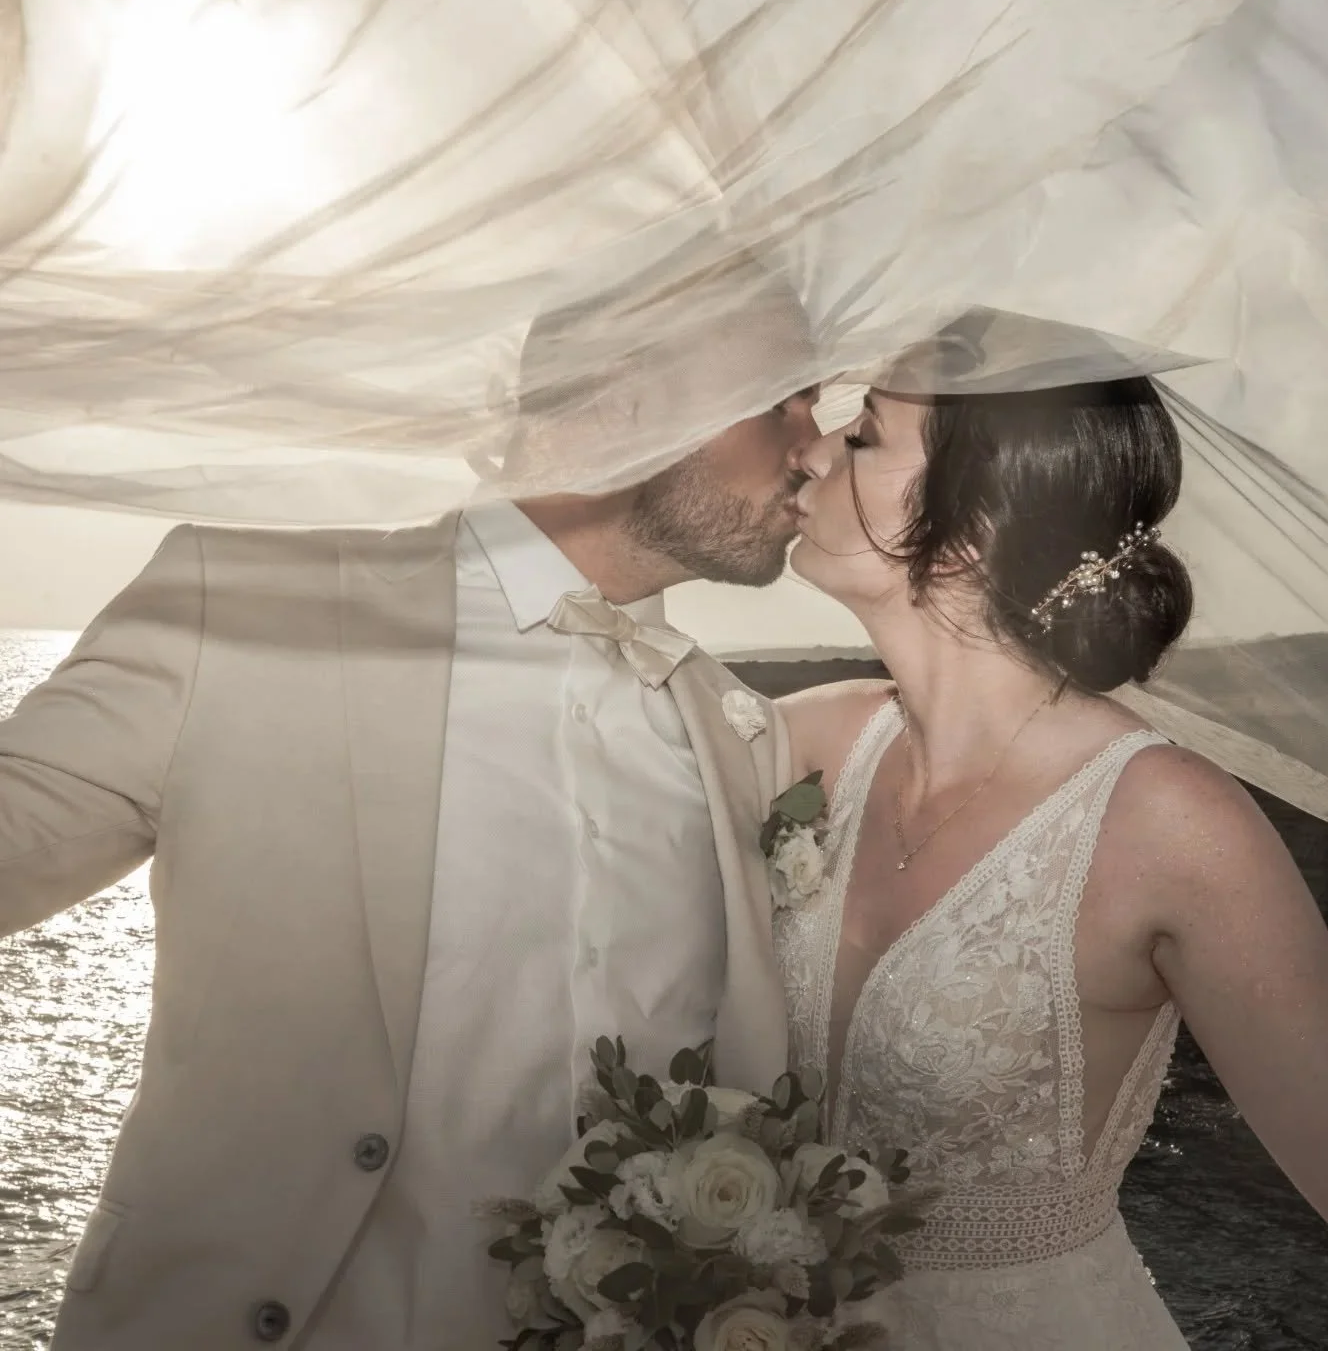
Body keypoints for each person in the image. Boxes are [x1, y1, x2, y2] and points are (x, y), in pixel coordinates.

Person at [0, 265, 818, 1351]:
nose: (815, 444)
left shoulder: (743, 736)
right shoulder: (248, 602)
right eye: (784, 399)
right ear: (624, 406)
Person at [776, 372, 1328, 1348]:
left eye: (865, 436)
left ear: (970, 531)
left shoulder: (1165, 822)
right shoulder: (806, 745)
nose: (814, 453)